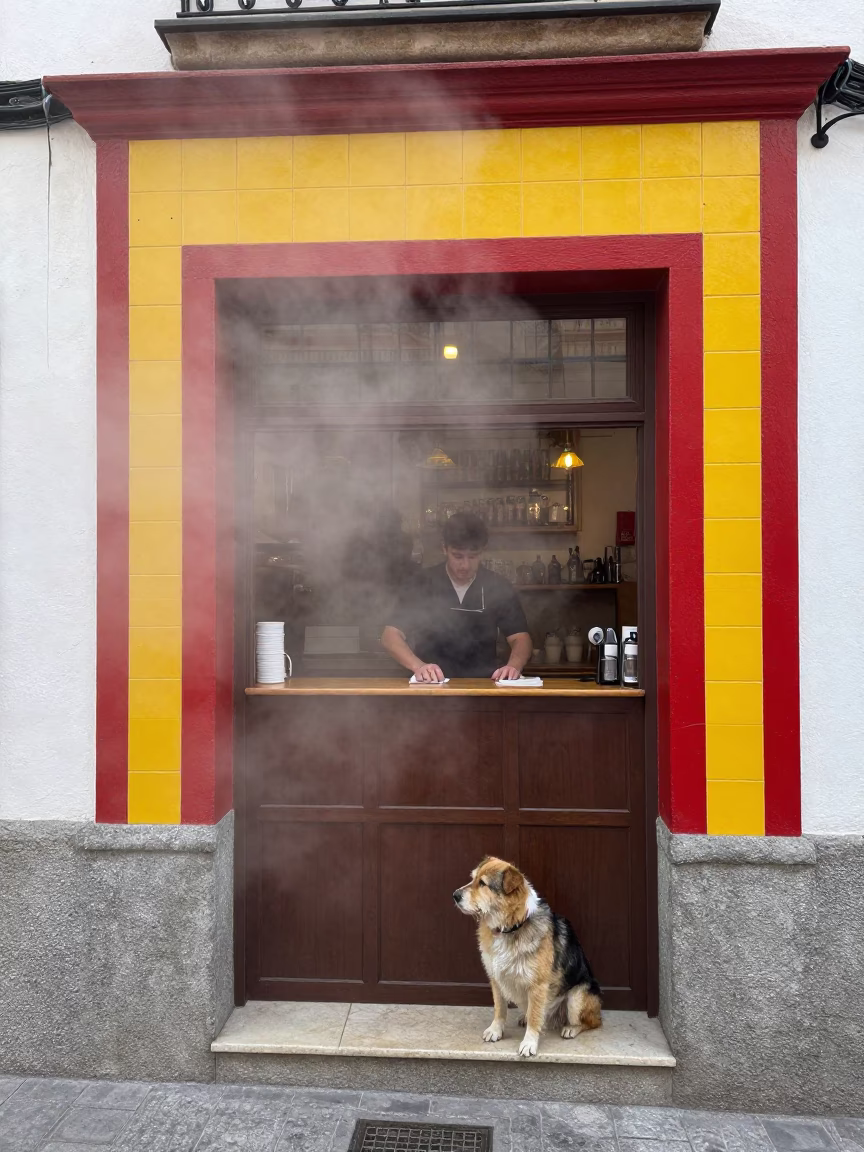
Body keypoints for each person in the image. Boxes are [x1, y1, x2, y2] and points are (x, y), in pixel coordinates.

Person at [381, 512, 532, 682]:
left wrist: (514, 666)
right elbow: (390, 636)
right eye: (458, 556)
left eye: (473, 556)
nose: (465, 565)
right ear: (444, 548)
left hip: (484, 687)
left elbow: (520, 638)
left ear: (483, 551)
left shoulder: (498, 585)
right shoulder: (422, 583)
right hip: (431, 687)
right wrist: (419, 666)